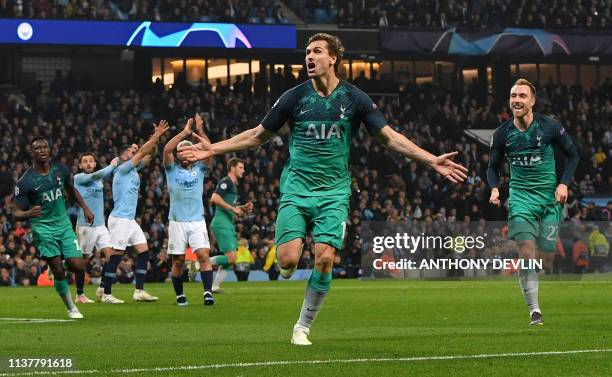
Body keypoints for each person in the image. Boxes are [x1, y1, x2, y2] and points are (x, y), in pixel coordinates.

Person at [179, 33, 467, 345]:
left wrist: (430, 160)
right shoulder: (294, 97)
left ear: (333, 59)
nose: (309, 57)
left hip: (334, 193)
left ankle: (302, 326)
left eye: (317, 51)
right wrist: (214, 150)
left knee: (325, 257)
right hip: (297, 190)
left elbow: (390, 137)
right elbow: (256, 135)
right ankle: (289, 265)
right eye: (307, 52)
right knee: (287, 261)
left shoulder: (354, 99)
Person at [487, 78, 579, 325]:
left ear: (532, 100)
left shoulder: (550, 127)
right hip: (520, 199)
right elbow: (492, 168)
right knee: (526, 252)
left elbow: (573, 155)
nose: (516, 100)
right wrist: (495, 189)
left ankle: (532, 274)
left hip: (549, 200)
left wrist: (564, 183)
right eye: (513, 95)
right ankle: (535, 311)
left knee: (546, 259)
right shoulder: (502, 134)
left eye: (522, 96)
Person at [12, 137, 94, 318]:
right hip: (43, 228)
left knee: (78, 266)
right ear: (31, 152)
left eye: (44, 147)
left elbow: (71, 190)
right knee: (58, 269)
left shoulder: (61, 170)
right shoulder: (26, 181)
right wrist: (28, 214)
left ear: (50, 150)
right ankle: (71, 307)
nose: (41, 150)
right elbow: (15, 212)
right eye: (37, 148)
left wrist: (86, 208)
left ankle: (62, 259)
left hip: (63, 224)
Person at [102, 121, 169, 303]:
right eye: (131, 152)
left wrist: (154, 141)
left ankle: (138, 291)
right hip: (120, 219)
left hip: (129, 220)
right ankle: (106, 293)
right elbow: (141, 154)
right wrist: (156, 135)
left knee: (144, 252)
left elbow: (149, 155)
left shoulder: (133, 169)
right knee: (117, 255)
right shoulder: (122, 169)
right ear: (123, 156)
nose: (135, 153)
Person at [163, 115, 214, 306]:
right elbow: (167, 149)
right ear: (178, 155)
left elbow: (210, 150)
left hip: (197, 220)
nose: (184, 153)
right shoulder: (171, 169)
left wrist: (199, 131)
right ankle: (180, 295)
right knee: (178, 261)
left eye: (188, 150)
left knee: (203, 255)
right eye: (181, 151)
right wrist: (184, 133)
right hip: (177, 221)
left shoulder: (200, 169)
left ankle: (208, 292)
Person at [73, 152, 119, 303]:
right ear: (80, 165)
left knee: (111, 256)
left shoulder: (99, 181)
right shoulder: (78, 178)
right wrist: (112, 165)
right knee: (83, 262)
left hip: (100, 225)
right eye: (85, 161)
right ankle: (80, 294)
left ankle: (105, 291)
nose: (88, 164)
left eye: (91, 161)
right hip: (85, 227)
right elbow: (94, 176)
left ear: (94, 164)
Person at [208, 158, 253, 292]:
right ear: (232, 168)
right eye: (240, 167)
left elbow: (229, 206)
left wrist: (242, 207)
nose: (243, 171)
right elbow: (214, 198)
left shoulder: (233, 185)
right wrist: (233, 209)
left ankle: (215, 286)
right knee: (231, 257)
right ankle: (199, 263)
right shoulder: (225, 182)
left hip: (227, 223)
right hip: (221, 223)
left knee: (231, 258)